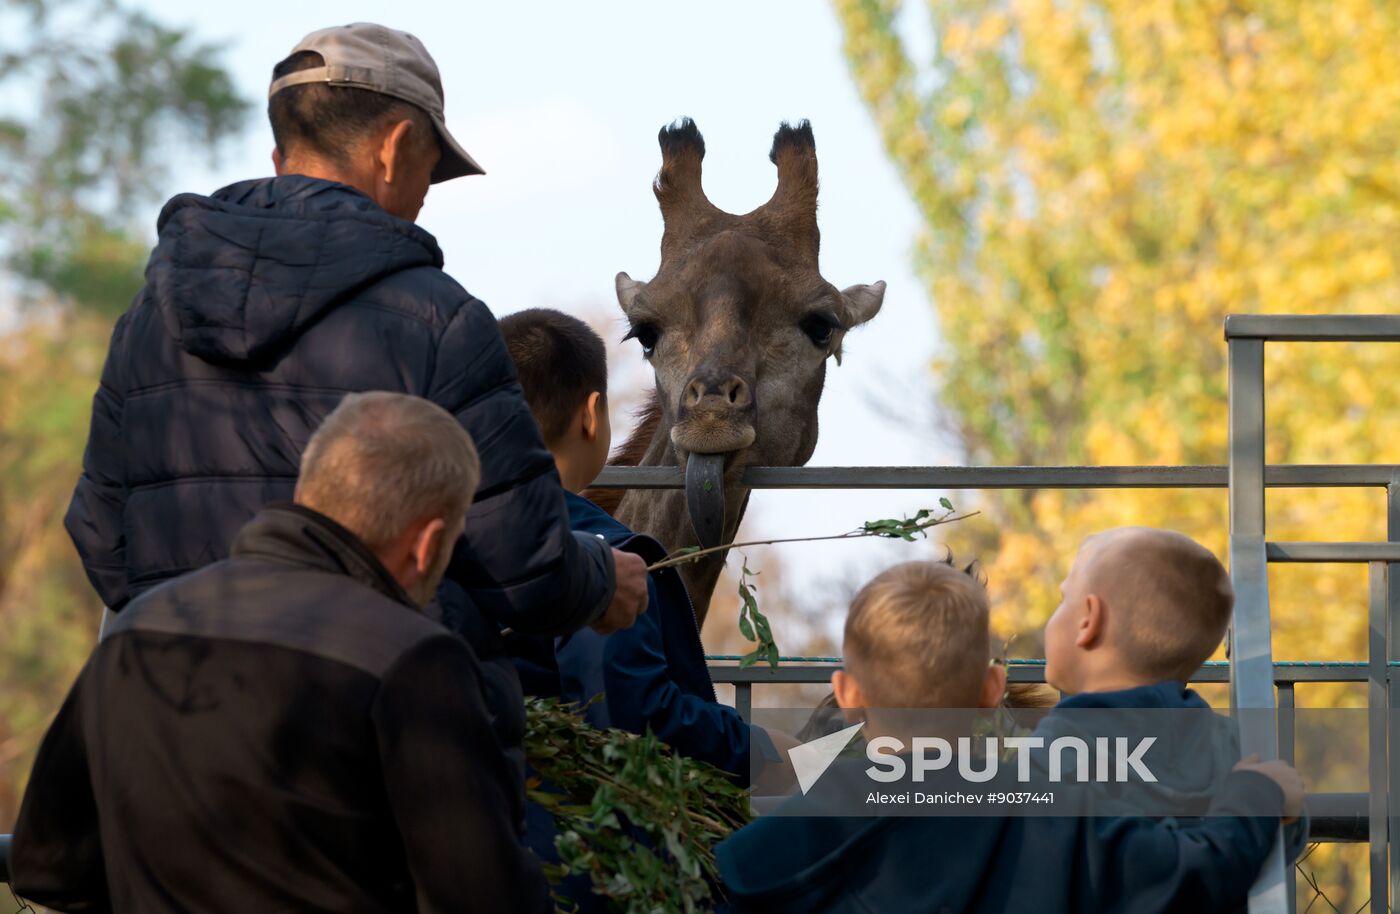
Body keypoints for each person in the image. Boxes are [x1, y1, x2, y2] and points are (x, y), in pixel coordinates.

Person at [60, 22, 648, 754]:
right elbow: (520, 563)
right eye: (431, 171)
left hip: (177, 743)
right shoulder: (438, 320)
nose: (426, 198)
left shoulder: (149, 317)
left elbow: (99, 534)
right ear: (396, 146)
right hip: (376, 751)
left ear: (281, 158)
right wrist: (600, 578)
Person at [11, 393, 549, 913]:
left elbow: (46, 866)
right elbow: (484, 898)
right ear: (428, 541)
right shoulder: (414, 659)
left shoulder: (135, 631)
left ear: (308, 494)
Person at [716, 561, 1305, 913]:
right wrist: (1254, 794)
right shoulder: (1060, 811)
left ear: (847, 693)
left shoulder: (777, 842)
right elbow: (1189, 873)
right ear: (994, 689)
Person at [499, 307, 783, 776]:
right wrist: (765, 752)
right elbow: (632, 718)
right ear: (592, 417)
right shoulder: (601, 556)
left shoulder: (439, 535)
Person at [1038, 526, 1308, 848]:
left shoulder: (1058, 745)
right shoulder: (1231, 744)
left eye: (1063, 597)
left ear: (1088, 620)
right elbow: (1283, 838)